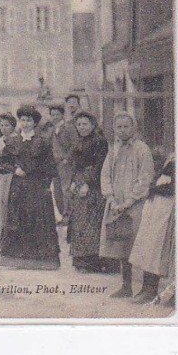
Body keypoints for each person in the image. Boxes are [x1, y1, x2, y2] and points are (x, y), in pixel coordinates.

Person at [100, 112, 155, 299]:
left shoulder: (142, 149)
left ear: (133, 128)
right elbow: (105, 175)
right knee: (121, 243)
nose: (122, 130)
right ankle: (126, 286)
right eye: (119, 127)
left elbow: (145, 177)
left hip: (136, 205)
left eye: (126, 126)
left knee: (140, 243)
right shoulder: (113, 150)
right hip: (116, 204)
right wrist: (111, 198)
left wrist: (130, 201)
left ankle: (147, 288)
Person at [0, 105, 60, 270]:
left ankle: (41, 261)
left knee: (38, 220)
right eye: (22, 120)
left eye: (29, 120)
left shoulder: (43, 142)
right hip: (18, 186)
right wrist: (15, 169)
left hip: (37, 187)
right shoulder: (12, 141)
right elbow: (3, 162)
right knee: (18, 219)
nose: (25, 124)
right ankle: (16, 259)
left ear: (34, 123)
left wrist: (45, 185)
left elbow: (50, 166)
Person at [66, 111, 111, 273]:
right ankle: (81, 260)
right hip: (79, 181)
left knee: (91, 223)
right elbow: (75, 165)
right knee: (79, 221)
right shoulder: (79, 141)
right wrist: (73, 182)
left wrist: (88, 184)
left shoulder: (99, 141)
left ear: (92, 125)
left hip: (93, 185)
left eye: (85, 124)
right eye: (78, 124)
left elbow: (100, 165)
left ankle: (93, 262)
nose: (81, 127)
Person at [129, 153, 175, 305]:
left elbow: (174, 187)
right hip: (155, 206)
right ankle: (145, 288)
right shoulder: (170, 158)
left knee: (156, 248)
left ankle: (151, 290)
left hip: (166, 207)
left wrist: (154, 189)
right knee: (147, 246)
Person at [47, 103, 79, 223]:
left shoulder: (68, 127)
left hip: (65, 163)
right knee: (57, 190)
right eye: (52, 115)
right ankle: (61, 214)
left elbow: (75, 144)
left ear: (62, 115)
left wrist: (67, 159)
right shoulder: (52, 129)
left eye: (57, 114)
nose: (54, 117)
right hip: (54, 164)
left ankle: (68, 215)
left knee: (66, 189)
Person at [0, 113, 17, 249]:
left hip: (9, 175)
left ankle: (7, 241)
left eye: (7, 125)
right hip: (0, 175)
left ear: (12, 126)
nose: (4, 128)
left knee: (5, 206)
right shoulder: (0, 139)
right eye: (1, 125)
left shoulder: (14, 140)